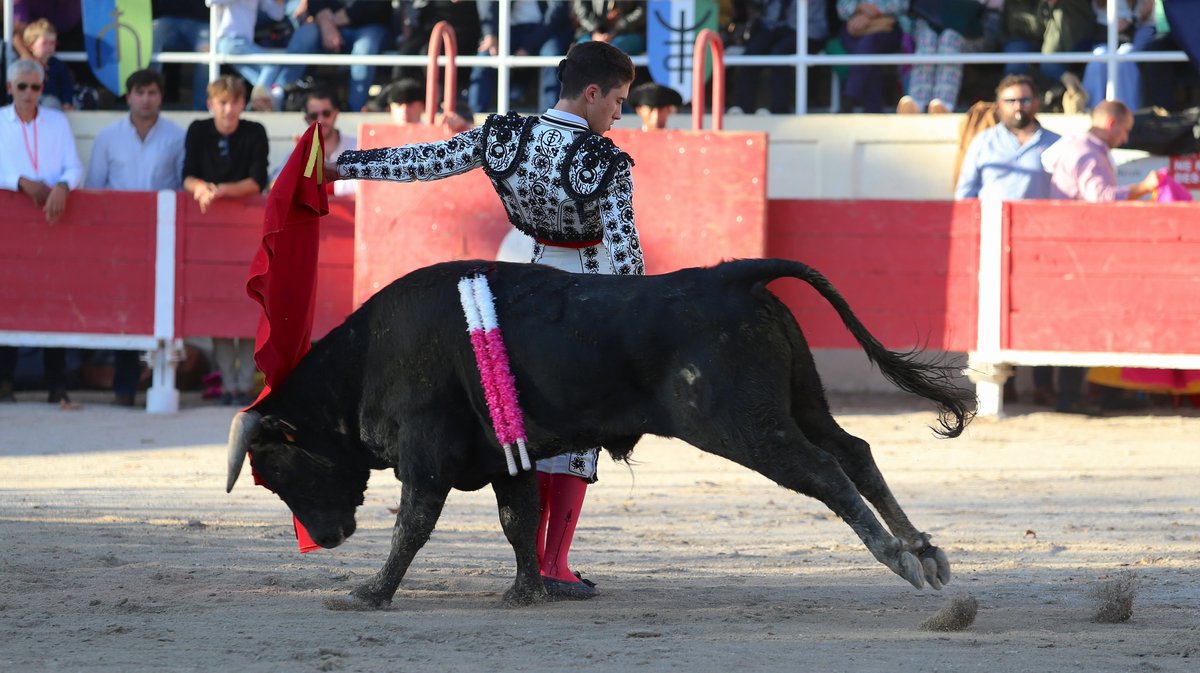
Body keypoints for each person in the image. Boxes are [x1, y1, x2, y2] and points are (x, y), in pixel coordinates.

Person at [330, 40, 643, 599]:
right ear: (592, 94)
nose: (619, 113)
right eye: (617, 100)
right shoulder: (605, 160)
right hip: (588, 295)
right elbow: (626, 257)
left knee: (525, 419)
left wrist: (343, 166)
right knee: (581, 425)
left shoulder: (507, 136)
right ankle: (552, 563)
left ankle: (532, 564)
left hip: (519, 288)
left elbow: (426, 162)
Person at [1039, 99, 1159, 414]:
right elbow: (1101, 198)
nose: (1125, 138)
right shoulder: (1085, 150)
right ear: (1111, 123)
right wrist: (1143, 187)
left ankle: (1065, 393)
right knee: (1077, 322)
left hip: (1070, 248)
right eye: (1125, 130)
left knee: (1068, 321)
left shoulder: (1082, 147)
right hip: (1076, 250)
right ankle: (1068, 397)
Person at [955, 74, 1061, 405]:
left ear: (1036, 103)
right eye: (1011, 101)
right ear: (999, 105)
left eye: (1025, 100)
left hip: (1043, 245)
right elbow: (965, 194)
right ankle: (1006, 385)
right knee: (993, 313)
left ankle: (1045, 383)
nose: (1019, 107)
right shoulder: (983, 142)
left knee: (1044, 311)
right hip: (991, 244)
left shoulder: (1056, 142)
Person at [85, 69, 187, 407]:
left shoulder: (176, 136)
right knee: (124, 308)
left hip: (164, 232)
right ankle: (125, 386)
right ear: (128, 96)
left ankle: (159, 380)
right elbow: (95, 188)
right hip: (119, 234)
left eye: (153, 92)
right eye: (140, 92)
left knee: (164, 307)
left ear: (160, 96)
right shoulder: (107, 137)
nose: (146, 99)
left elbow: (180, 186)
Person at [0, 59, 84, 408]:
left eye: (35, 87)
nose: (30, 94)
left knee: (54, 299)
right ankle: (4, 381)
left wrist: (63, 186)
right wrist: (18, 181)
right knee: (8, 298)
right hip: (10, 227)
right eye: (23, 87)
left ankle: (57, 383)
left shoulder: (57, 122)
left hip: (53, 223)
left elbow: (75, 165)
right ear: (10, 88)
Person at [183, 75, 270, 406]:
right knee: (218, 304)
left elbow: (257, 181)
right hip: (209, 232)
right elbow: (187, 175)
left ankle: (242, 383)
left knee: (246, 305)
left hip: (248, 227)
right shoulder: (198, 130)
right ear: (211, 104)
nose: (229, 108)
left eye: (234, 102)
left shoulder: (254, 131)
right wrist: (200, 188)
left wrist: (217, 190)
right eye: (223, 102)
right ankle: (230, 382)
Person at [263, 0, 393, 112]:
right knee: (304, 36)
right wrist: (326, 24)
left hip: (370, 26)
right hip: (326, 23)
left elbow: (374, 4)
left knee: (365, 48)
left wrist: (331, 22)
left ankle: (355, 111)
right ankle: (276, 97)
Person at [468, 0, 575, 113]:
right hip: (507, 29)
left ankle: (549, 117)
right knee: (484, 56)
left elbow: (556, 12)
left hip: (544, 29)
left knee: (551, 56)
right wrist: (489, 34)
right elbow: (485, 3)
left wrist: (528, 46)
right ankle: (475, 116)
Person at [730, 0, 829, 115]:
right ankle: (742, 107)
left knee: (779, 52)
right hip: (775, 27)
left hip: (810, 31)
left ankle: (779, 109)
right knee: (752, 51)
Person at [208, 0, 290, 106]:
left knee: (262, 82)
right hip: (230, 40)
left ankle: (253, 107)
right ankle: (255, 104)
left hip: (239, 44)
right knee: (271, 64)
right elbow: (210, 1)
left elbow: (277, 14)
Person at [835, 0, 905, 113]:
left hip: (886, 28)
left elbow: (902, 5)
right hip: (854, 27)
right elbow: (841, 8)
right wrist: (861, 8)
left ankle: (848, 101)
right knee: (867, 52)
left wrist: (875, 12)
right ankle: (873, 112)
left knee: (867, 45)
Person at [152, 0, 212, 111]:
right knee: (149, 42)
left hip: (202, 20)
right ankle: (146, 103)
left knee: (207, 56)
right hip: (165, 18)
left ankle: (202, 110)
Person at [21, 19, 74, 111]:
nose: (50, 47)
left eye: (52, 43)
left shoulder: (59, 66)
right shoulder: (22, 67)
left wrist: (67, 102)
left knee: (50, 103)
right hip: (27, 104)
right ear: (31, 46)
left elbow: (66, 86)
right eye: (45, 43)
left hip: (52, 106)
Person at [572, 0, 647, 54]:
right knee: (582, 51)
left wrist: (616, 30)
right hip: (591, 33)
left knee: (610, 51)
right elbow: (582, 13)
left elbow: (642, 12)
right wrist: (596, 31)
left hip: (628, 33)